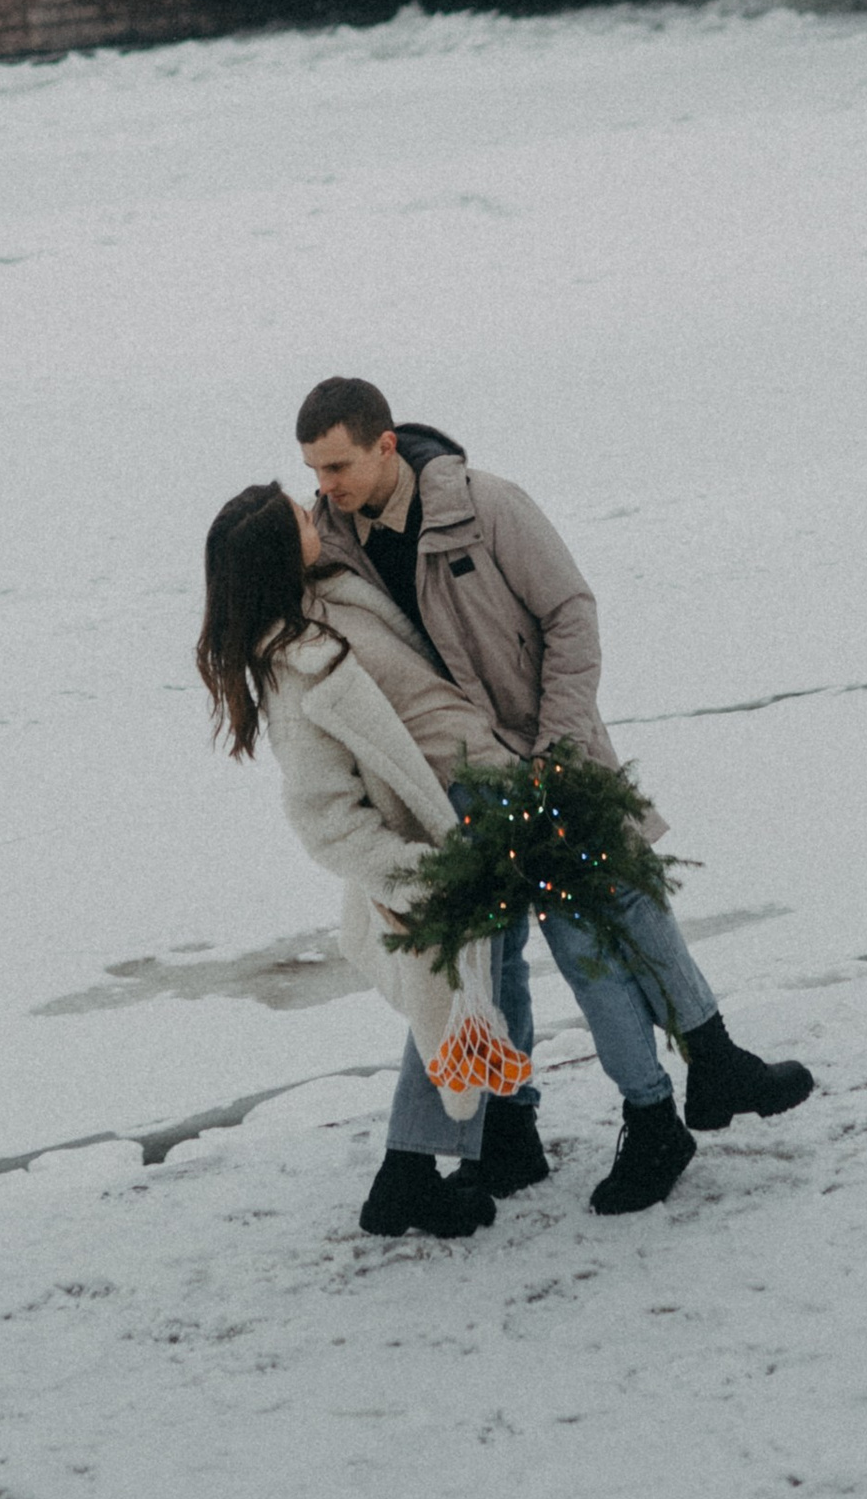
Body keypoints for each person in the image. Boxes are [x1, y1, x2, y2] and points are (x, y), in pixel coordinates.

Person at [297, 373, 815, 1215]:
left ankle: (667, 1104)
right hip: (465, 786)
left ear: (385, 444)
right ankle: (545, 1124)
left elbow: (571, 614)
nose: (327, 487)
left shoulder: (488, 504)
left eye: (339, 466)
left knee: (592, 936)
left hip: (549, 757)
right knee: (495, 958)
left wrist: (561, 750)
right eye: (315, 472)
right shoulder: (335, 544)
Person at [196, 481, 515, 1243]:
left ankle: (492, 1143)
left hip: (448, 816)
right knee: (446, 1003)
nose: (316, 517)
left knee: (475, 988)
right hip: (415, 855)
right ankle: (403, 1180)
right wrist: (421, 874)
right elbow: (324, 819)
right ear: (282, 552)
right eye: (301, 520)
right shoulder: (293, 672)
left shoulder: (333, 593)